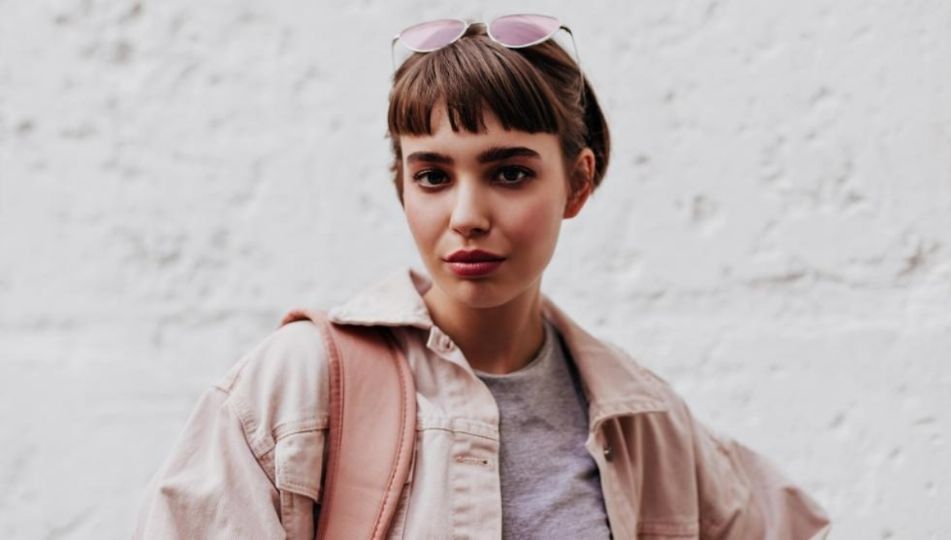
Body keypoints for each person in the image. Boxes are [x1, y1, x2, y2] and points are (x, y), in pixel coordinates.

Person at [133, 14, 831, 539]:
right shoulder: (297, 388)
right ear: (400, 185)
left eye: (510, 173)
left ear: (577, 184)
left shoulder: (641, 420)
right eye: (432, 175)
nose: (467, 215)